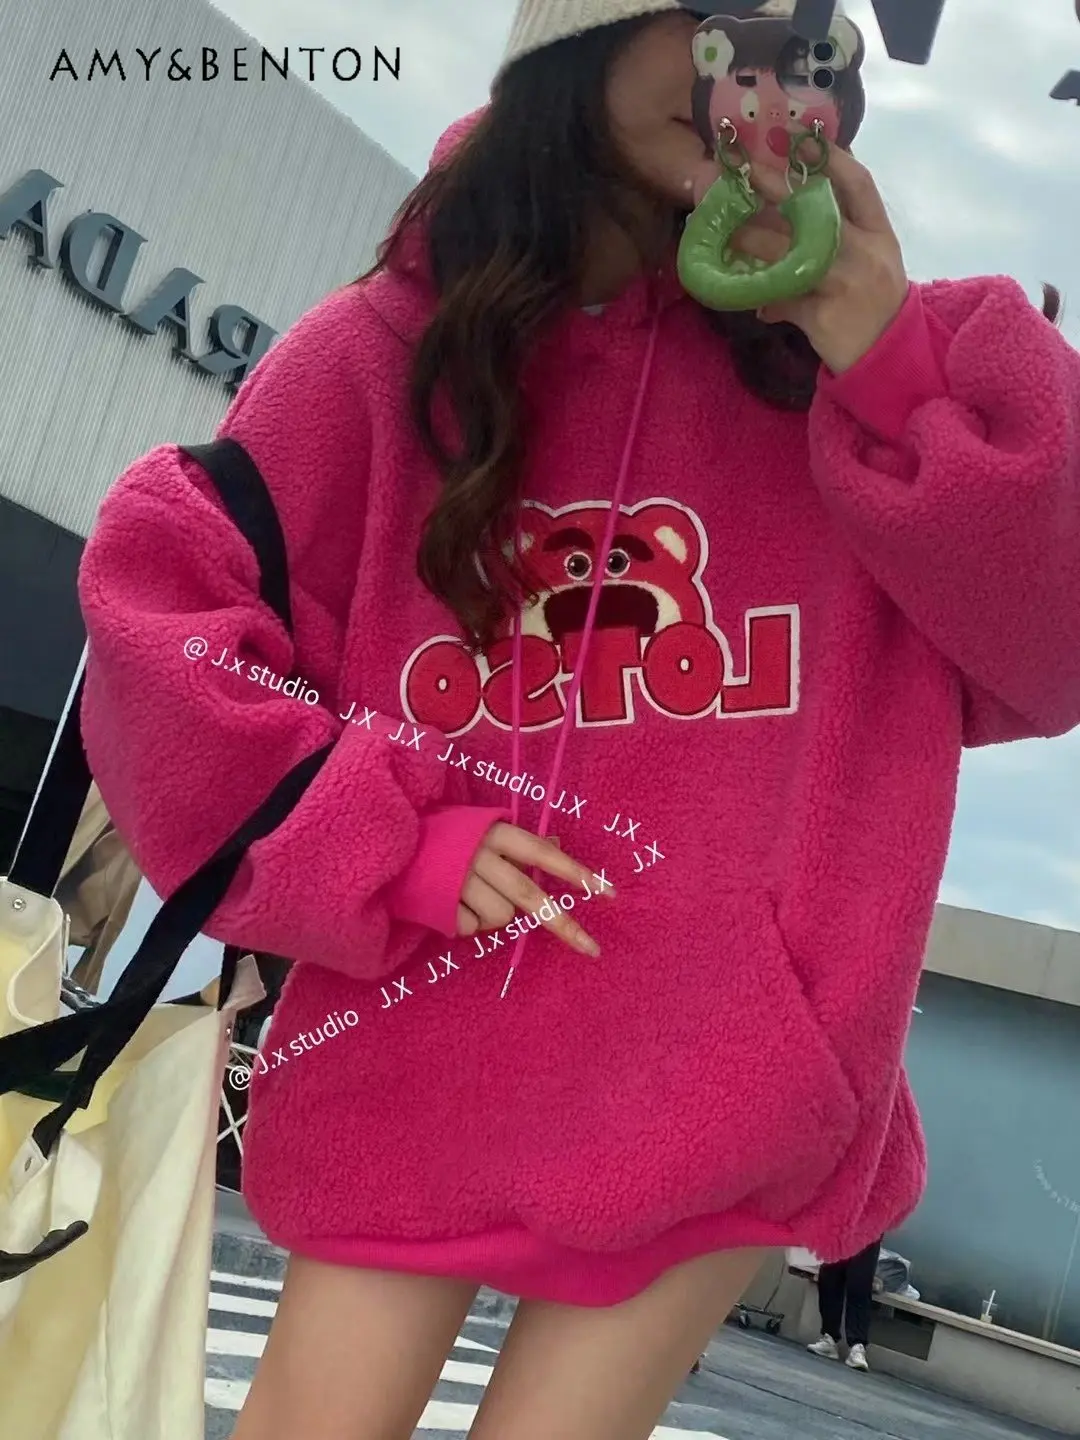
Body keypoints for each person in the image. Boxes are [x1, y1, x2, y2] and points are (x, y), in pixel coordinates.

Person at [75, 0, 1080, 1436]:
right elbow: (162, 605)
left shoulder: (864, 374)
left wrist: (888, 363)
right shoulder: (391, 350)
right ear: (579, 33)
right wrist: (380, 839)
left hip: (718, 1086)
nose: (750, 78)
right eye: (713, 21)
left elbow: (1050, 651)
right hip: (412, 1053)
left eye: (800, 43)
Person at [807, 1236, 883, 1371]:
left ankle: (857, 1346)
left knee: (859, 1282)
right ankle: (829, 1337)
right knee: (829, 1277)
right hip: (838, 1230)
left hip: (867, 1231)